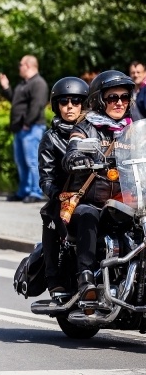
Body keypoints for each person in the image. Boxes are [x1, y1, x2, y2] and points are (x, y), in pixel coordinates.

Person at [62, 70, 135, 304]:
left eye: (124, 97)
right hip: (93, 202)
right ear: (99, 100)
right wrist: (76, 157)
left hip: (125, 204)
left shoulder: (133, 131)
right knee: (87, 214)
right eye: (113, 97)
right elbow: (72, 148)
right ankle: (85, 279)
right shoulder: (86, 128)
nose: (119, 103)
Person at [37, 76, 88, 301]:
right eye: (64, 101)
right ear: (56, 105)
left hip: (95, 196)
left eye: (76, 102)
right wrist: (58, 193)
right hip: (65, 197)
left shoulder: (93, 133)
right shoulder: (51, 138)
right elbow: (46, 177)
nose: (70, 107)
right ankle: (53, 278)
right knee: (51, 217)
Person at [0, 55, 49, 203]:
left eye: (20, 65)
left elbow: (37, 105)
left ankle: (36, 192)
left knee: (32, 161)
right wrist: (6, 87)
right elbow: (15, 101)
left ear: (27, 65)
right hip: (20, 129)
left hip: (32, 128)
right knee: (21, 161)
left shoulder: (39, 83)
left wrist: (27, 122)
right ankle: (24, 191)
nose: (18, 68)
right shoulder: (23, 84)